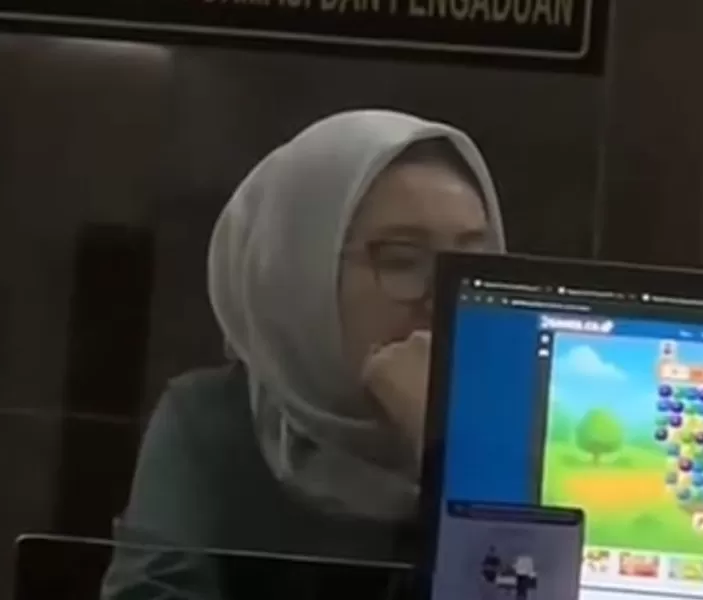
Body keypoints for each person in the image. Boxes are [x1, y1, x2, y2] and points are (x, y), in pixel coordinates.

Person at [101, 110, 506, 598]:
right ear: (300, 273)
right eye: (402, 260)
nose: (442, 296)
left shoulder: (527, 423)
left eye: (471, 262)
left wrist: (447, 448)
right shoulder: (213, 420)